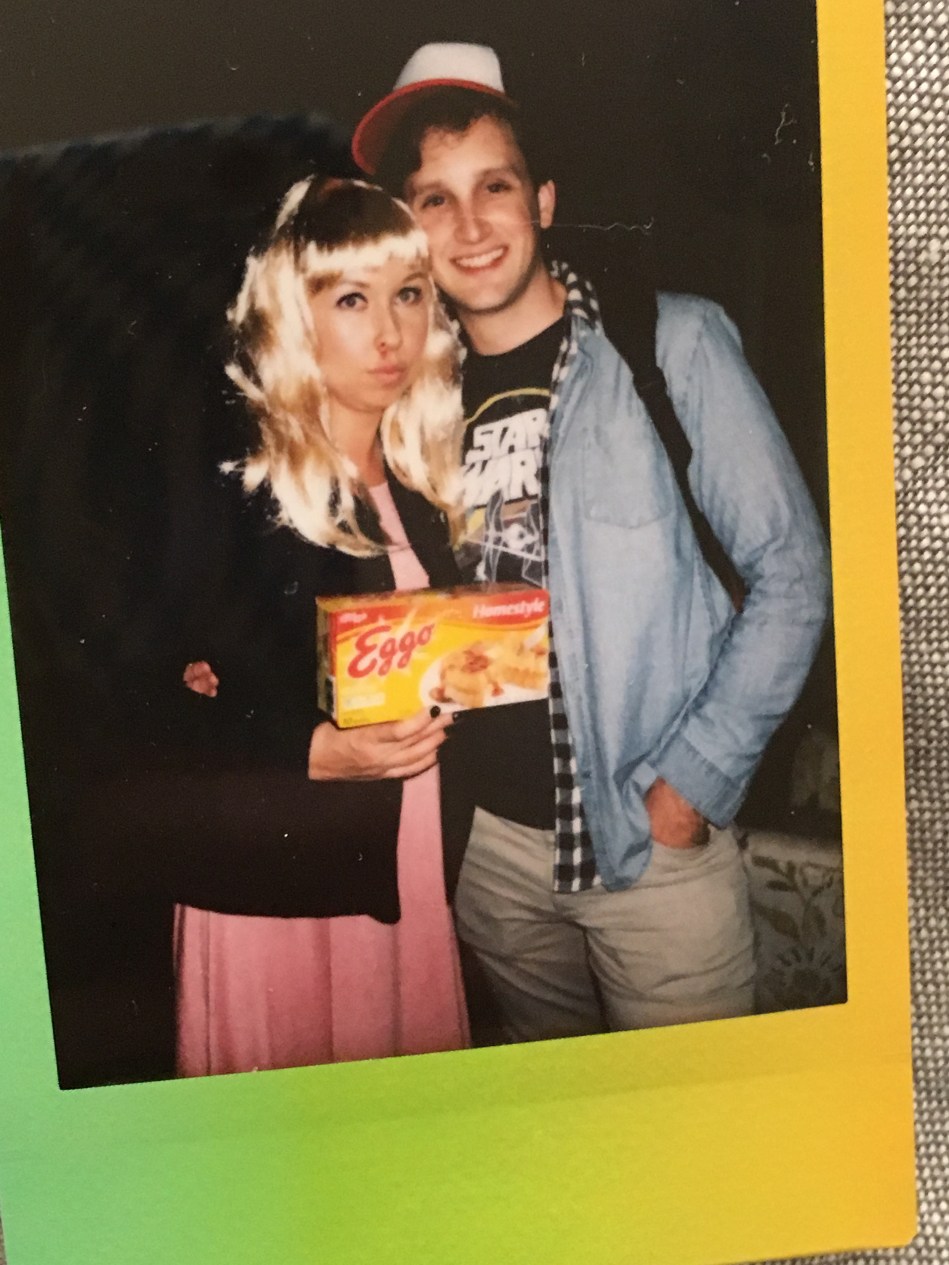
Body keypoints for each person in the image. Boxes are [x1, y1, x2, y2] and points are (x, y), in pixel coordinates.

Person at [349, 43, 832, 1043]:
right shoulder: (404, 400)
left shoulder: (668, 344)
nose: (469, 225)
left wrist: (690, 783)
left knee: (688, 1126)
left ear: (543, 200)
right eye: (434, 199)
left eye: (494, 185)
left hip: (649, 849)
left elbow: (793, 574)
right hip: (487, 863)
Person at [169, 174, 474, 1076]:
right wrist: (308, 748)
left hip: (405, 862)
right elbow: (126, 711)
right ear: (294, 317)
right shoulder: (234, 486)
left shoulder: (426, 490)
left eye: (408, 295)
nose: (389, 333)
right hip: (278, 889)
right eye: (351, 299)